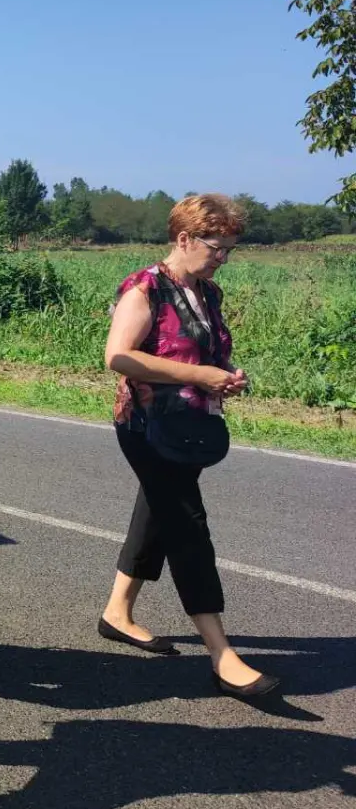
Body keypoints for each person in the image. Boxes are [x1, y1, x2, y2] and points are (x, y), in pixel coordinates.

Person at [99, 194, 274, 700]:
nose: (223, 258)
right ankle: (221, 654)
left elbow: (206, 352)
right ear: (184, 238)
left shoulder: (207, 292)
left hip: (190, 426)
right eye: (216, 247)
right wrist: (198, 375)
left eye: (229, 249)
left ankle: (117, 612)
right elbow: (118, 356)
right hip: (145, 426)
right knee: (186, 524)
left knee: (157, 511)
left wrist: (225, 375)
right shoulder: (145, 288)